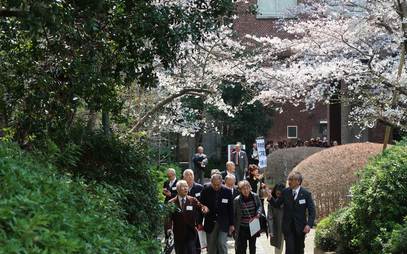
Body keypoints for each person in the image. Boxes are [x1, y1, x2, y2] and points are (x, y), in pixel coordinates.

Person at [267, 171, 316, 254]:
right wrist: (270, 198)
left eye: (291, 180)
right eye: (288, 179)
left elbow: (312, 211)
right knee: (289, 249)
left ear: (298, 181)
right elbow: (277, 204)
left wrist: (309, 225)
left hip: (301, 228)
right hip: (288, 227)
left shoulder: (306, 194)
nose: (289, 182)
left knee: (299, 249)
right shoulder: (285, 192)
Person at [166, 180, 209, 254]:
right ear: (178, 189)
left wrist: (204, 209)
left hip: (191, 232)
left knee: (192, 251)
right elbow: (168, 217)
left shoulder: (193, 200)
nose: (186, 188)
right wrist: (169, 228)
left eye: (186, 186)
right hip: (178, 233)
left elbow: (202, 207)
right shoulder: (171, 203)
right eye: (183, 186)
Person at [198, 174, 234, 254]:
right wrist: (200, 222)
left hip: (223, 222)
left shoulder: (227, 191)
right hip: (210, 221)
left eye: (218, 185)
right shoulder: (205, 190)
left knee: (221, 243)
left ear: (222, 182)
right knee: (211, 246)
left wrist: (232, 224)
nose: (216, 187)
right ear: (211, 182)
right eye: (214, 185)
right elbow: (201, 205)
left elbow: (230, 209)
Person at [233, 180, 263, 254]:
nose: (246, 190)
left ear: (250, 188)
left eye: (247, 188)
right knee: (242, 247)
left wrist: (258, 214)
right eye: (243, 189)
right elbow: (234, 214)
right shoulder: (237, 200)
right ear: (240, 190)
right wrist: (233, 227)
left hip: (253, 225)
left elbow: (260, 206)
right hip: (242, 227)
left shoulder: (255, 196)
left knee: (252, 246)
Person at [267, 183, 285, 254]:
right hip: (277, 227)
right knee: (278, 247)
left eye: (280, 191)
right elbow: (270, 217)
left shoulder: (287, 200)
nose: (278, 193)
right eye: (277, 191)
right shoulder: (271, 202)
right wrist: (271, 230)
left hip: (288, 227)